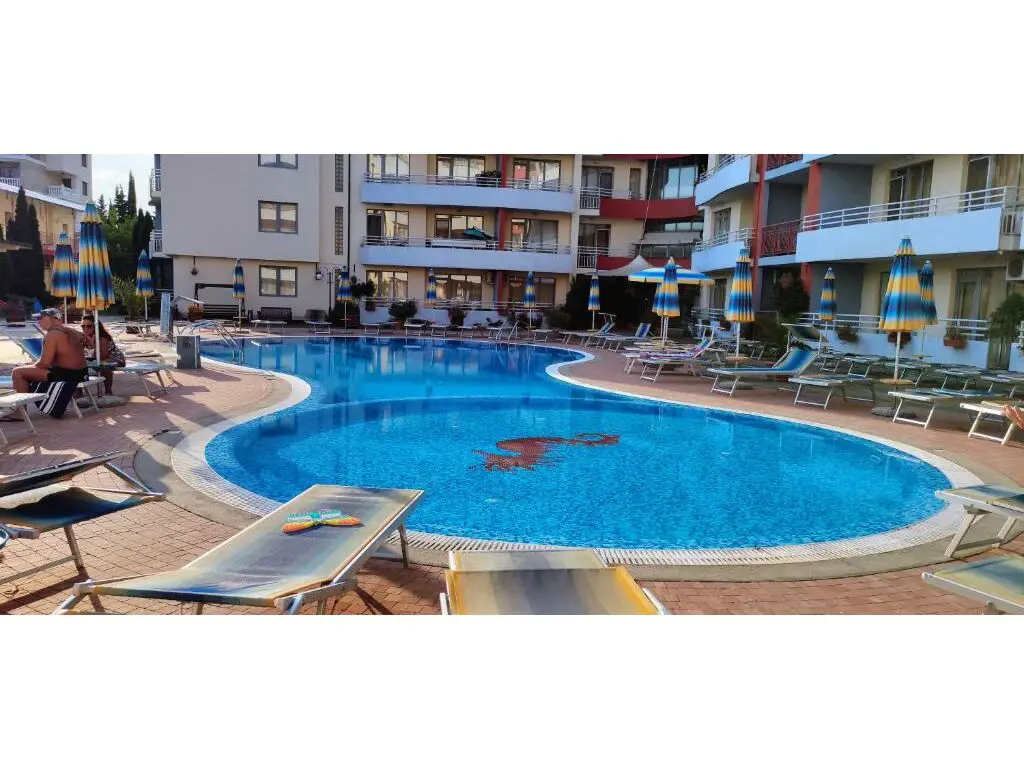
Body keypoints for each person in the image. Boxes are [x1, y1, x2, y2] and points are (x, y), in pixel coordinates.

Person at [10, 308, 90, 419]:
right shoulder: (71, 331)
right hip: (82, 373)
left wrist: (28, 368)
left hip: (68, 375)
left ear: (49, 319)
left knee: (17, 372)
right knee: (28, 370)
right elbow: (90, 342)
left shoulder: (52, 334)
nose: (38, 322)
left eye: (40, 318)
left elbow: (44, 364)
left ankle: (20, 413)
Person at [82, 317, 127, 396]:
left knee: (103, 365)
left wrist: (92, 344)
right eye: (83, 326)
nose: (85, 329)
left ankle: (108, 392)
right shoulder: (84, 337)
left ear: (96, 326)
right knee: (77, 366)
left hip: (114, 358)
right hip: (97, 359)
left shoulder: (102, 337)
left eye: (89, 326)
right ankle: (78, 394)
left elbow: (103, 356)